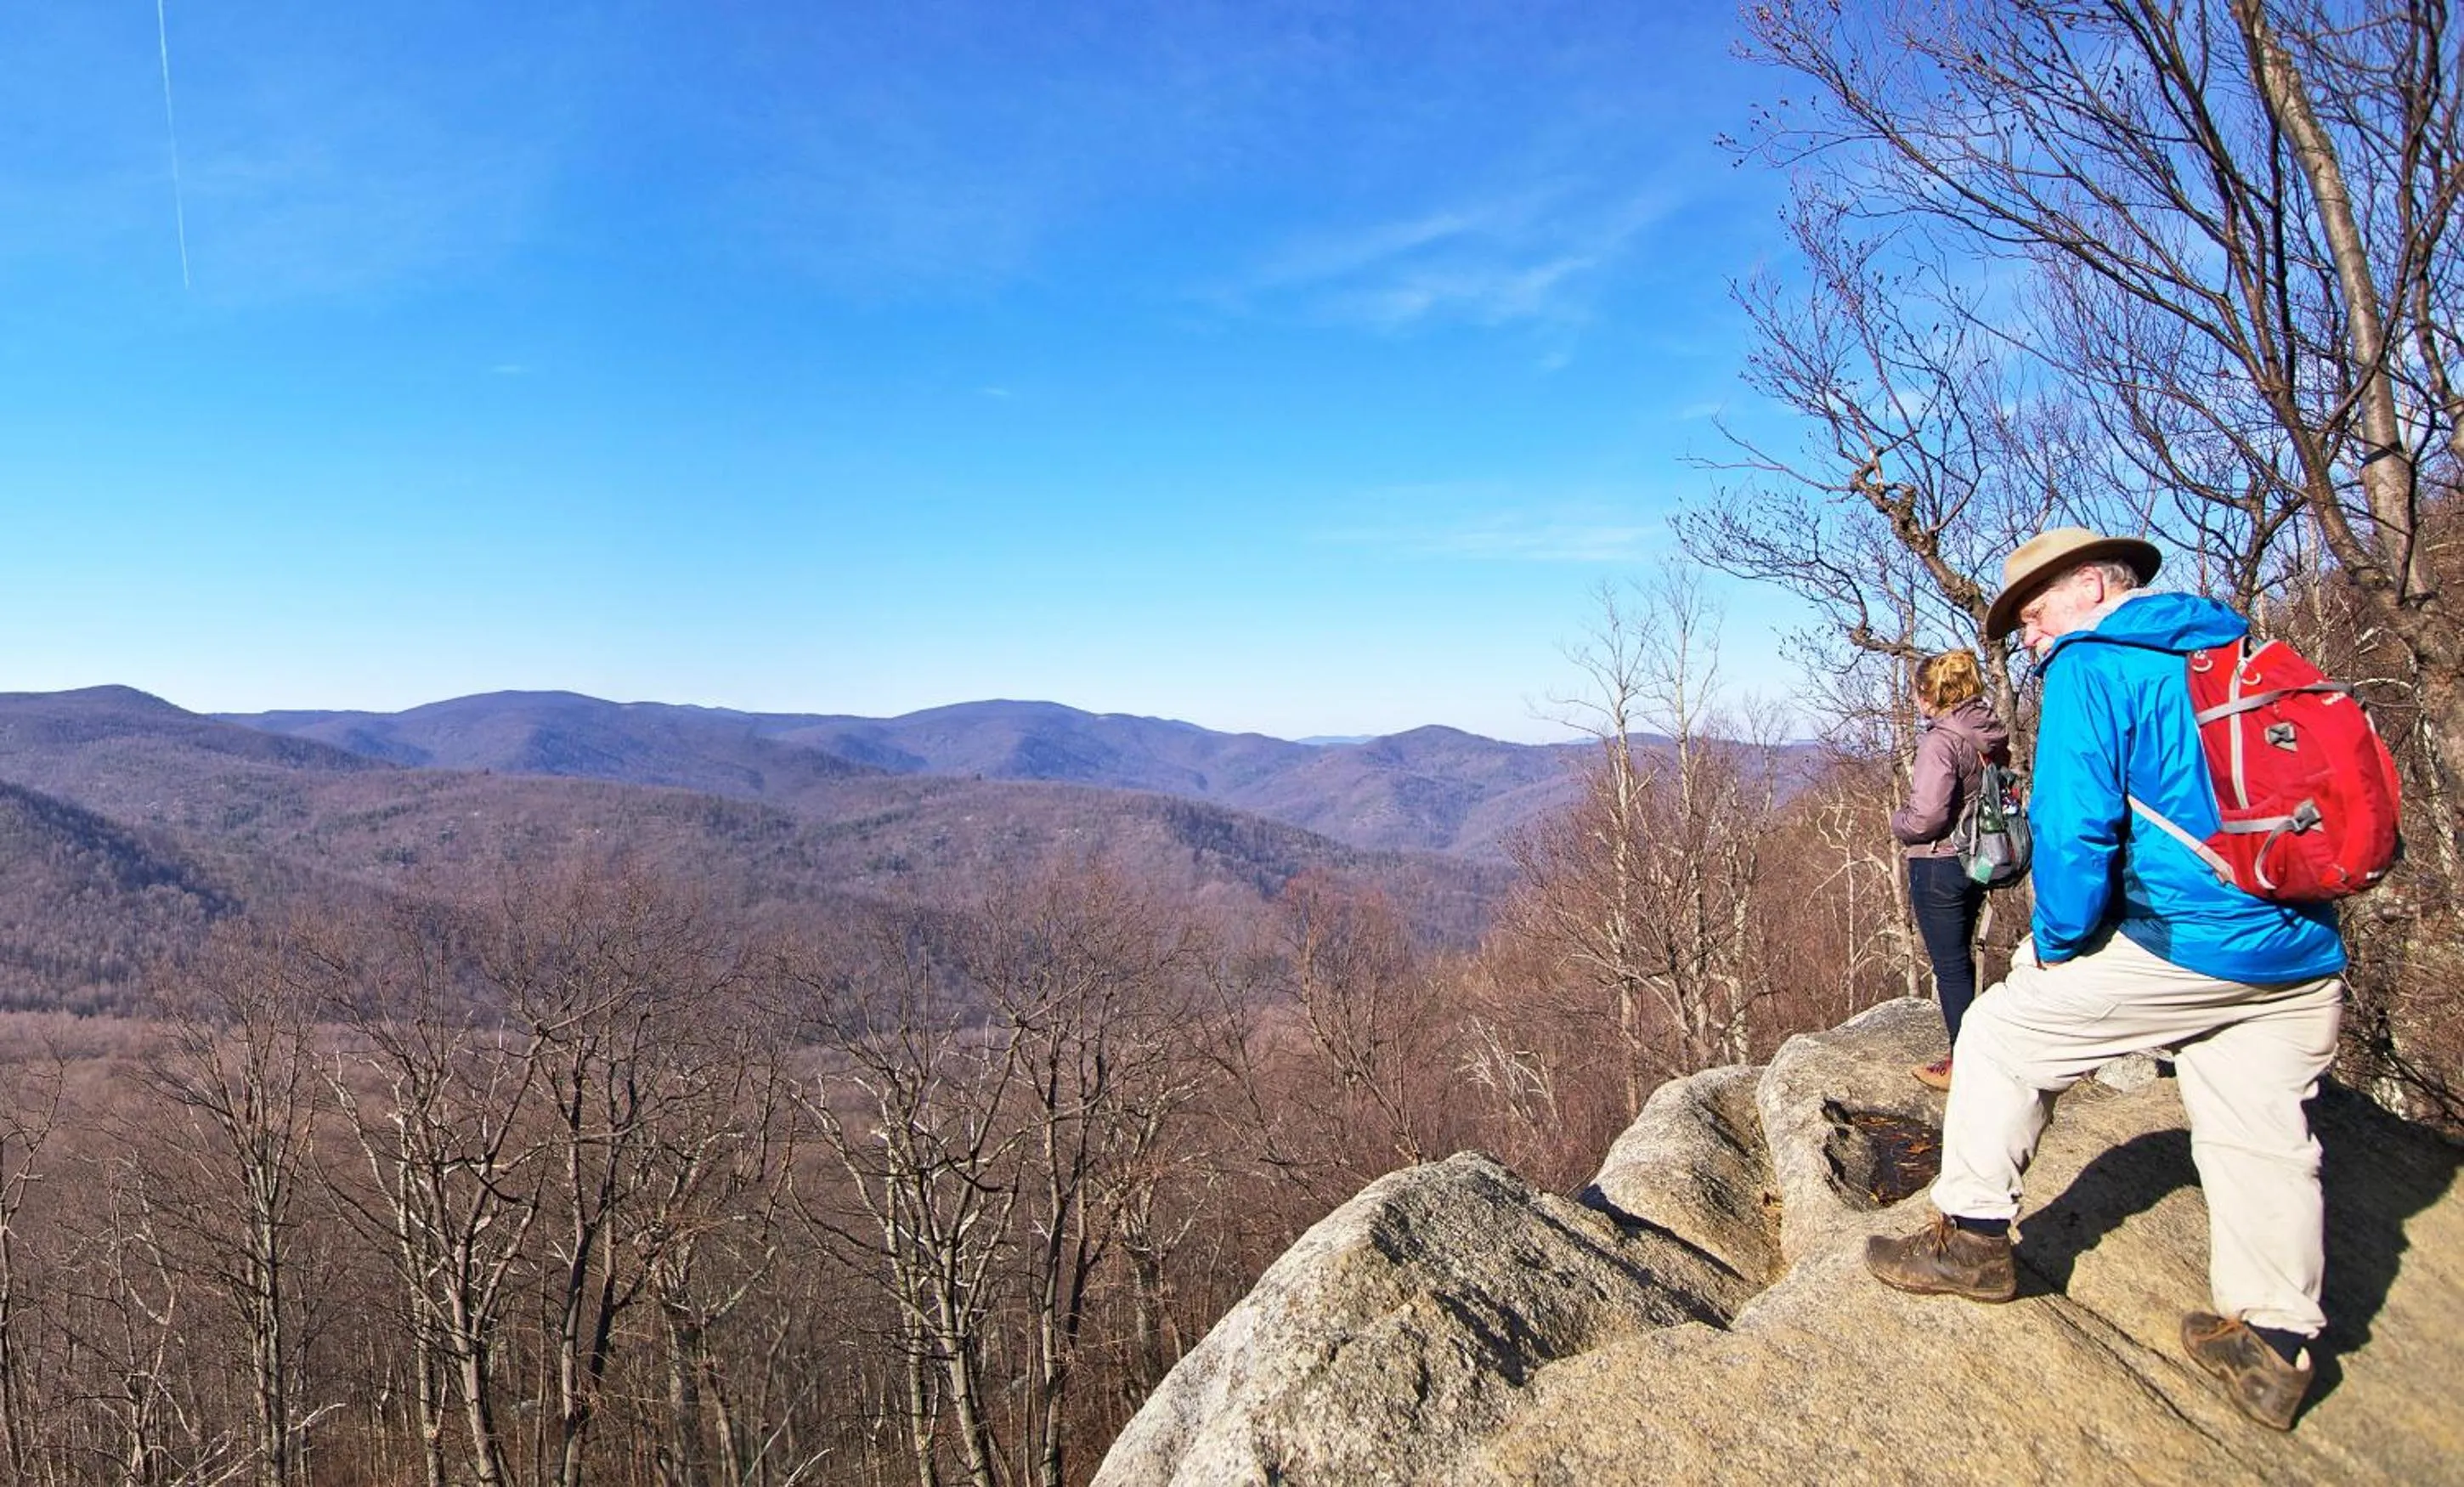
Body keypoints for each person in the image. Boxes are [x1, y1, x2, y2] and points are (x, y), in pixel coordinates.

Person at [1863, 528, 2347, 1433]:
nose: (2030, 633)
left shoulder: (2096, 666)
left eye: (2036, 609)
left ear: (2090, 584)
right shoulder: (2237, 645)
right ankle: (2274, 1345)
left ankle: (1970, 1240)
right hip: (2299, 943)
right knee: (2259, 1134)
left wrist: (2055, 946)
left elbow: (2076, 832)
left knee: (2001, 1035)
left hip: (2189, 939)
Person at [1889, 649, 2010, 1093]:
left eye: (1919, 692)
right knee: (1964, 959)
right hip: (1976, 856)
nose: (1917, 700)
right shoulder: (1987, 733)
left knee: (1951, 966)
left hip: (1939, 861)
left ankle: (1965, 1061)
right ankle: (1973, 1049)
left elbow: (1927, 817)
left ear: (1931, 695)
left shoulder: (1941, 741)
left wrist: (1897, 822)